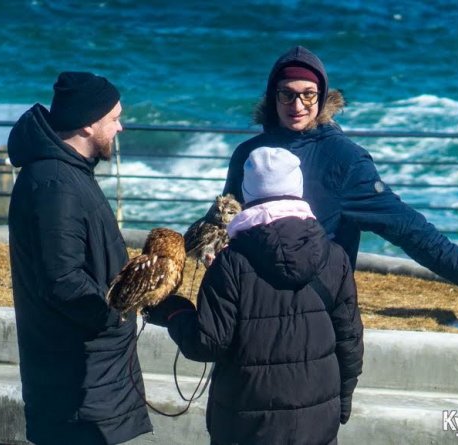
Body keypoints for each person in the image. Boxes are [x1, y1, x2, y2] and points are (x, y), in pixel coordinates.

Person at [222, 45, 458, 290]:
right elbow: (227, 225)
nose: (297, 104)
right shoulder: (247, 154)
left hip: (316, 308)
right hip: (251, 302)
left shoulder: (344, 158)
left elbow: (403, 224)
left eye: (308, 94)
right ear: (273, 96)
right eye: (287, 93)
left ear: (321, 96)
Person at [145, 146, 364, 445]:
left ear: (248, 195)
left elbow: (206, 343)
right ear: (298, 191)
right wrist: (341, 403)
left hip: (243, 425)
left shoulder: (230, 263)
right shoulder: (335, 257)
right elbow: (350, 341)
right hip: (317, 425)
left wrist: (174, 311)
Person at [7, 71, 152, 445]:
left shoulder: (69, 173)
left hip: (89, 378)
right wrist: (114, 316)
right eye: (114, 118)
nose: (120, 128)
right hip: (75, 384)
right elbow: (63, 279)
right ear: (89, 124)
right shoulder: (56, 184)